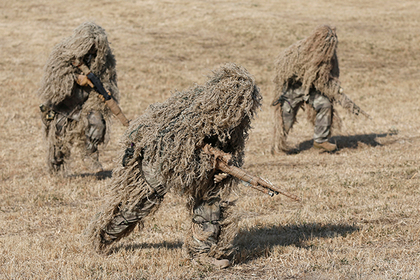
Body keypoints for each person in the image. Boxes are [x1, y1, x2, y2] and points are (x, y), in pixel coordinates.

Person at [86, 63, 261, 269]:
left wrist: (225, 168)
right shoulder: (193, 110)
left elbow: (233, 153)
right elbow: (173, 153)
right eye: (235, 102)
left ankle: (202, 255)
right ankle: (102, 237)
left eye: (244, 104)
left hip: (201, 171)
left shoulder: (236, 126)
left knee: (211, 204)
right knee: (134, 209)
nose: (239, 109)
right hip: (159, 163)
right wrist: (206, 160)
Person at [37, 22, 120, 173]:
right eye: (89, 45)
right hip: (64, 104)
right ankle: (56, 168)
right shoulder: (62, 53)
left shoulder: (104, 60)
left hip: (89, 102)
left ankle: (91, 155)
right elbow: (52, 81)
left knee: (98, 124)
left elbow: (109, 81)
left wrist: (105, 93)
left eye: (96, 47)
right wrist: (75, 79)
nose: (92, 50)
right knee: (58, 138)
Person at [271, 25, 343, 153]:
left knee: (325, 104)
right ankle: (278, 145)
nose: (328, 47)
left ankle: (320, 141)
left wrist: (333, 88)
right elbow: (281, 70)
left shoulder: (330, 56)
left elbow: (332, 75)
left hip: (312, 90)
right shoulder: (298, 51)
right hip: (292, 89)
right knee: (285, 117)